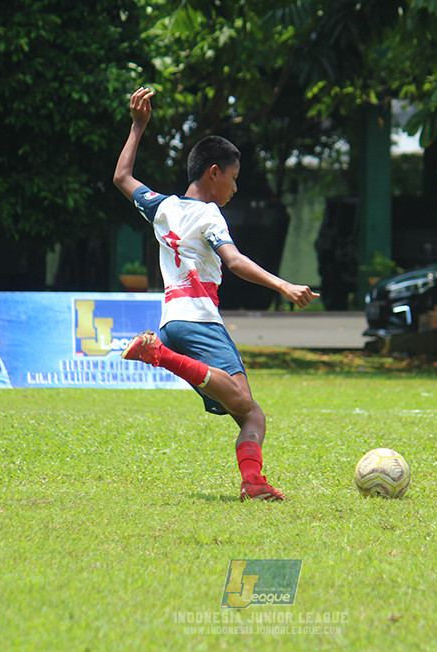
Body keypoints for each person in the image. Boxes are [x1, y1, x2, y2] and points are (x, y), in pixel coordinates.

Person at [112, 87, 318, 501]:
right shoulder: (210, 215)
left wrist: (138, 127)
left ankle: (253, 483)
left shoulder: (163, 207)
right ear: (213, 172)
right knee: (245, 401)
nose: (235, 189)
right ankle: (159, 355)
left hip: (171, 321)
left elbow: (121, 178)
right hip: (200, 321)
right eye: (233, 178)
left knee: (250, 413)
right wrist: (283, 285)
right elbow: (236, 262)